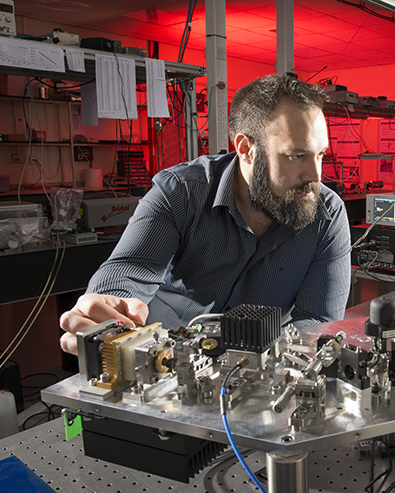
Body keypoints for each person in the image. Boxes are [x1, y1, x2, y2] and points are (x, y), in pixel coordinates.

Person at [59, 74, 352, 354]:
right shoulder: (182, 192)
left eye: (321, 155)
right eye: (296, 156)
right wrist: (113, 308)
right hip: (169, 360)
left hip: (266, 369)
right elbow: (131, 268)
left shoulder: (327, 215)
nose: (315, 175)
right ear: (246, 149)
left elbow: (316, 323)